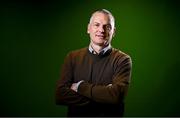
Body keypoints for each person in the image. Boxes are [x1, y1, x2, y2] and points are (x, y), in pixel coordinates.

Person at [55, 9, 132, 117]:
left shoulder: (122, 60)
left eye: (107, 26)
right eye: (96, 25)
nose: (101, 30)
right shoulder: (72, 57)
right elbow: (60, 95)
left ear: (113, 32)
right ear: (88, 28)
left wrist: (80, 87)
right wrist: (105, 97)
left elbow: (116, 96)